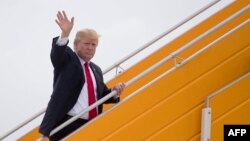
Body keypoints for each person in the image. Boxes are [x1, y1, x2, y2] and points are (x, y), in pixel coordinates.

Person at [39, 11, 125, 141]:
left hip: (92, 125)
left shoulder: (96, 69)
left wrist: (114, 92)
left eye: (94, 44)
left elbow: (100, 95)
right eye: (86, 44)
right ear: (75, 45)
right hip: (68, 124)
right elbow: (56, 55)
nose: (90, 48)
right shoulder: (68, 60)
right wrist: (65, 34)